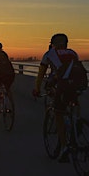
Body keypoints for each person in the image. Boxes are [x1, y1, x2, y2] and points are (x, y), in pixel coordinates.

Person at [33, 33, 79, 163]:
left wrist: (37, 89)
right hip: (76, 85)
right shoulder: (73, 53)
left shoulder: (49, 54)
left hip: (60, 86)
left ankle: (64, 147)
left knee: (58, 113)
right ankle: (77, 122)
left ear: (52, 44)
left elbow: (41, 74)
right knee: (73, 101)